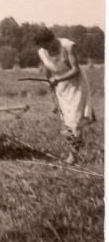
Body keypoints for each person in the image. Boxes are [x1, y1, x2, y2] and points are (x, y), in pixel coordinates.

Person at [34, 28, 95, 164]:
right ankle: (74, 151)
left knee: (74, 119)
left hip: (76, 84)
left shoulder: (67, 46)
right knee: (66, 120)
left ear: (52, 40)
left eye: (46, 45)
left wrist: (58, 80)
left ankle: (73, 156)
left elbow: (76, 69)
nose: (45, 49)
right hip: (60, 87)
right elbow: (48, 74)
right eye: (42, 47)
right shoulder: (42, 52)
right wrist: (53, 98)